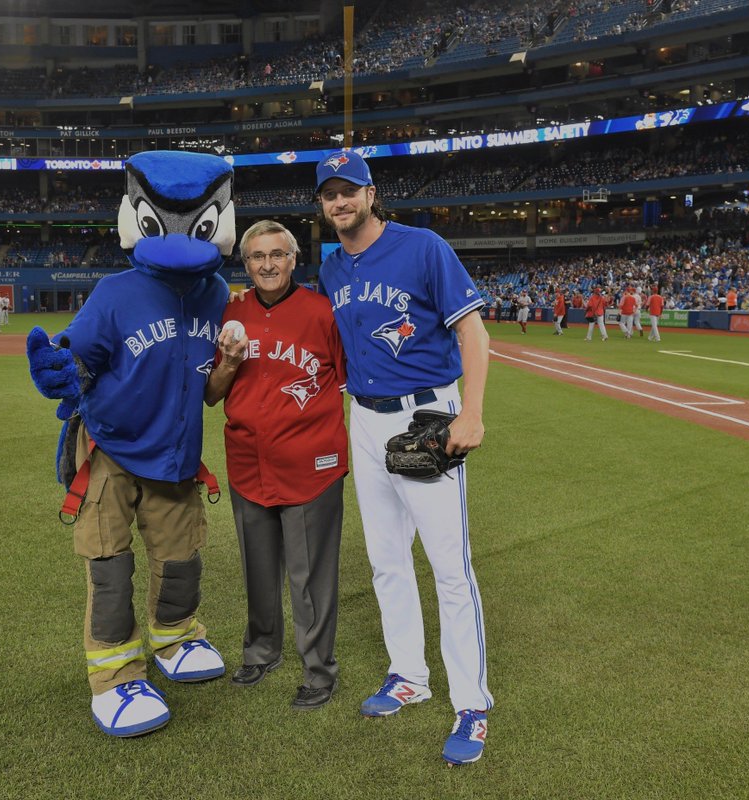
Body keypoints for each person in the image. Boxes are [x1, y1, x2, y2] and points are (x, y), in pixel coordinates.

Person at [26, 151, 236, 738]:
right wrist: (59, 367)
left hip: (175, 458)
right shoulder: (117, 291)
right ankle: (116, 677)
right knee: (110, 570)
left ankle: (174, 639)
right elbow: (78, 355)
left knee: (182, 561)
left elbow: (220, 372)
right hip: (111, 455)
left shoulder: (217, 294)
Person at [315, 150, 493, 766]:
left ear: (371, 193)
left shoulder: (423, 247)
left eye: (349, 191)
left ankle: (472, 703)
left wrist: (469, 415)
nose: (340, 202)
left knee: (449, 565)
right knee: (386, 558)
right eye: (329, 195)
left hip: (427, 415)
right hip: (363, 416)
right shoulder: (332, 268)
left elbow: (474, 332)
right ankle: (409, 675)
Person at [205, 220, 347, 711]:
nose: (267, 264)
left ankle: (318, 671)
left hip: (312, 464)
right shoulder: (229, 313)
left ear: (292, 259)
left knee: (311, 577)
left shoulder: (322, 311)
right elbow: (211, 393)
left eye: (277, 254)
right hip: (248, 462)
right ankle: (262, 650)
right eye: (256, 256)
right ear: (245, 264)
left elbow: (345, 382)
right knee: (258, 569)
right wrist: (227, 361)